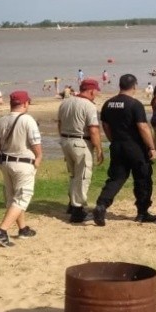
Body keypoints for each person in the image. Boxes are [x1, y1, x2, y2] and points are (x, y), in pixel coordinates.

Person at [92, 74, 156, 226]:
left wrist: (113, 140)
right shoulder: (135, 104)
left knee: (116, 178)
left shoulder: (108, 104)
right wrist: (151, 147)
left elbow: (106, 125)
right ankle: (142, 212)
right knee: (143, 178)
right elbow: (142, 127)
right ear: (135, 86)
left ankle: (101, 204)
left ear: (120, 85)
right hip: (135, 147)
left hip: (117, 145)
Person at [0, 90, 42, 247]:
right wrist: (39, 157)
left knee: (13, 197)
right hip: (23, 163)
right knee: (23, 196)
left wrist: (0, 153)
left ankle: (23, 228)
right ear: (25, 103)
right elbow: (35, 143)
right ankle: (1, 231)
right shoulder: (28, 120)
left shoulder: (1, 120)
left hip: (6, 163)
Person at [57, 78, 104, 222]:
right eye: (95, 91)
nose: (96, 94)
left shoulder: (65, 102)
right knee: (83, 175)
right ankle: (78, 210)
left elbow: (59, 124)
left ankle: (72, 204)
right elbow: (94, 130)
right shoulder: (89, 106)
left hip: (66, 140)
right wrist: (99, 149)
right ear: (91, 90)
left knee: (73, 174)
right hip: (81, 141)